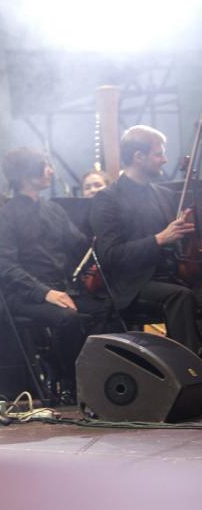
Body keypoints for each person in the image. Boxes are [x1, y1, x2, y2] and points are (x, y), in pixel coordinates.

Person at [0, 148, 109, 400]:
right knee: (68, 319)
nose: (51, 171)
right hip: (24, 296)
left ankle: (96, 377)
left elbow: (80, 246)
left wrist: (104, 233)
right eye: (45, 166)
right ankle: (69, 381)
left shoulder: (54, 210)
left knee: (108, 308)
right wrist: (46, 293)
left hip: (60, 290)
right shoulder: (5, 217)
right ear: (26, 174)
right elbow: (7, 267)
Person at [90, 125, 202, 355]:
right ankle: (188, 369)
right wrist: (159, 239)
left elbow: (178, 245)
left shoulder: (163, 194)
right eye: (158, 154)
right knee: (181, 297)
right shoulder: (108, 199)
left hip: (170, 276)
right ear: (138, 157)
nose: (164, 160)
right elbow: (110, 255)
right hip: (132, 284)